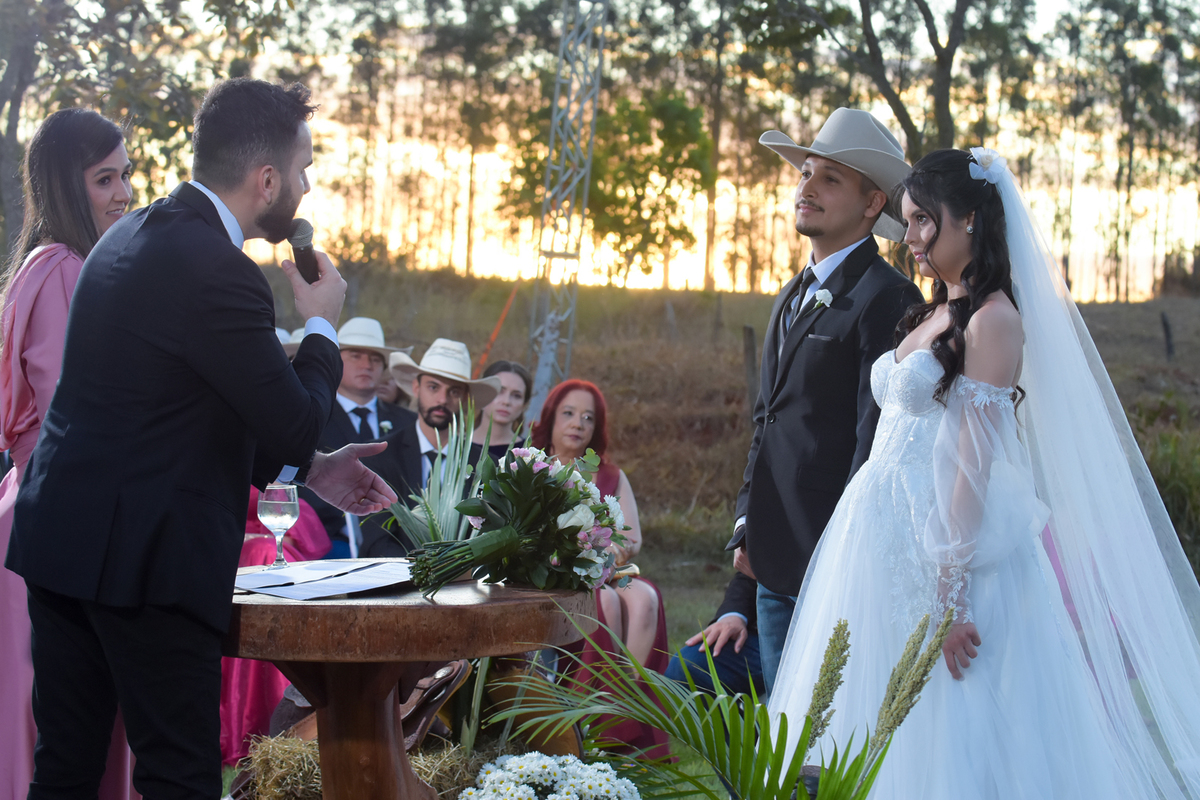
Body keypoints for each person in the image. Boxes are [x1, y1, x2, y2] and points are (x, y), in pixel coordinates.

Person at [5, 79, 397, 799]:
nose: (306, 188)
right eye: (303, 170)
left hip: (62, 545)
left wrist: (309, 470)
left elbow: (176, 410)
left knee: (65, 767)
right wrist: (319, 323)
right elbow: (295, 416)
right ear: (267, 179)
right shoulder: (222, 273)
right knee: (178, 774)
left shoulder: (129, 235)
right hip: (148, 565)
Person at [768, 148, 1200, 798]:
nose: (909, 237)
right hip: (880, 530)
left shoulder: (995, 320)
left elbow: (972, 462)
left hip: (948, 548)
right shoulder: (935, 311)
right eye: (908, 222)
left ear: (968, 220)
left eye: (922, 221)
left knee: (953, 726)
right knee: (860, 714)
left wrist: (951, 597)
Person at [731, 109, 924, 694]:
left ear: (872, 205)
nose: (805, 187)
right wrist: (746, 522)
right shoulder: (791, 294)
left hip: (834, 560)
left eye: (829, 179)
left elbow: (875, 442)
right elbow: (766, 421)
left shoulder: (888, 298)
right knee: (783, 734)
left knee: (825, 747)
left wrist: (845, 553)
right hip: (772, 558)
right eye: (805, 173)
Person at [0, 108, 138, 800]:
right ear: (64, 187)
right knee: (61, 748)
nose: (125, 193)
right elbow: (75, 415)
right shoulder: (63, 272)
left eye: (126, 174)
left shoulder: (61, 267)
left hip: (48, 520)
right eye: (105, 178)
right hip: (60, 529)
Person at [530, 379, 669, 759]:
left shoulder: (610, 477)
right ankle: (594, 725)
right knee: (605, 603)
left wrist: (607, 547)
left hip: (607, 568)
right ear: (551, 419)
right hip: (559, 577)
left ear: (596, 428)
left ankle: (628, 712)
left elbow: (632, 538)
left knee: (646, 600)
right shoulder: (533, 468)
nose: (578, 423)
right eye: (569, 414)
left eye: (588, 417)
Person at [357, 338, 501, 557]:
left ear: (464, 398)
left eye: (453, 391)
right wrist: (422, 573)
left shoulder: (485, 466)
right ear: (416, 387)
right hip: (397, 581)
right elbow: (377, 540)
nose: (442, 399)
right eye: (433, 387)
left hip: (465, 582)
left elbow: (492, 540)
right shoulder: (380, 456)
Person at [219, 487, 330, 766]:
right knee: (264, 553)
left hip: (272, 537)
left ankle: (301, 713)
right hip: (223, 534)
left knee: (270, 554)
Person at [298, 316, 411, 557]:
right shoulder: (311, 415)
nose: (367, 365)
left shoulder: (408, 422)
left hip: (399, 545)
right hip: (327, 543)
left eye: (375, 358)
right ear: (336, 359)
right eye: (356, 356)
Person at [665, 572, 764, 697]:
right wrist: (733, 614)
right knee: (688, 665)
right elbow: (752, 573)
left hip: (791, 646)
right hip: (767, 638)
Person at [472, 360, 532, 460]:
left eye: (517, 395)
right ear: (482, 394)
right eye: (500, 391)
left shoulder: (529, 454)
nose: (506, 401)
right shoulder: (454, 446)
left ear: (524, 405)